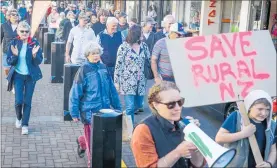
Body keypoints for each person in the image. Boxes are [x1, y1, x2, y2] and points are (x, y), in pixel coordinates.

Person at [69, 41, 121, 168]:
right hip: (89, 112)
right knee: (93, 142)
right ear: (87, 55)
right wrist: (74, 112)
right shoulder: (83, 70)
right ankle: (91, 163)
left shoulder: (104, 68)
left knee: (102, 137)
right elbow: (75, 92)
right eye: (93, 53)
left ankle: (82, 142)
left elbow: (112, 90)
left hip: (105, 110)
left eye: (97, 53)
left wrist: (118, 107)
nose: (96, 55)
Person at [131, 81, 205, 167]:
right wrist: (178, 152)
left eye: (180, 102)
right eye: (170, 104)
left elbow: (198, 165)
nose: (177, 108)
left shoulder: (185, 122)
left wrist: (196, 141)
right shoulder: (143, 130)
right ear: (155, 105)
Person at [215, 90, 276, 167]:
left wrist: (269, 164)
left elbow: (273, 150)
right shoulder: (237, 117)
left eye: (267, 109)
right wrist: (243, 134)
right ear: (250, 107)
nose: (264, 113)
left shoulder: (271, 125)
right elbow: (219, 138)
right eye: (260, 109)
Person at [6, 21, 43, 135]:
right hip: (18, 76)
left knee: (27, 101)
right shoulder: (14, 43)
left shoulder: (34, 43)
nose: (24, 33)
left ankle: (25, 124)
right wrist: (15, 55)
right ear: (18, 32)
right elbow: (9, 61)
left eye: (27, 31)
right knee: (18, 101)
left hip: (30, 77)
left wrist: (34, 55)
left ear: (29, 32)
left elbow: (39, 61)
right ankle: (18, 117)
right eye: (22, 31)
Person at [114, 25, 150, 124]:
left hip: (141, 81)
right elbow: (118, 65)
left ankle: (125, 117)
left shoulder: (144, 46)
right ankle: (130, 129)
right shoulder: (124, 47)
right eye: (141, 33)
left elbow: (149, 60)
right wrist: (116, 82)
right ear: (135, 34)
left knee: (138, 105)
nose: (143, 34)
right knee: (130, 106)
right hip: (127, 81)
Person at [1, 9, 19, 78]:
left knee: (16, 69)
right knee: (6, 69)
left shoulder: (21, 25)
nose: (15, 16)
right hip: (6, 51)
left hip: (17, 51)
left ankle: (14, 83)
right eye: (13, 14)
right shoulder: (4, 25)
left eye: (16, 15)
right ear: (9, 16)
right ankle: (9, 79)